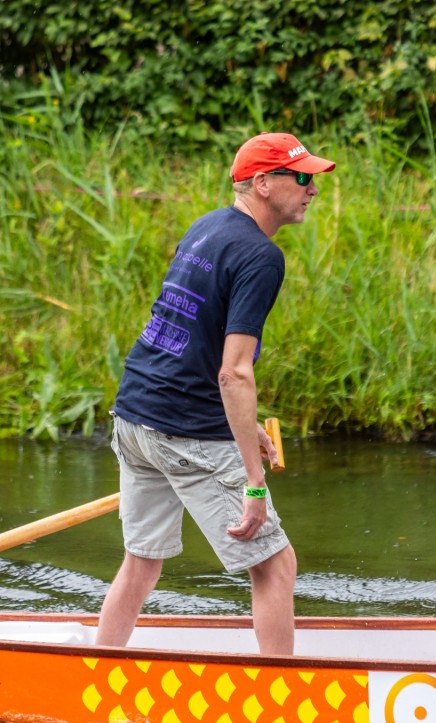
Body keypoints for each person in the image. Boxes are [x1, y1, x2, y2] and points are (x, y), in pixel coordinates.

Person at [96, 132, 336, 654]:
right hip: (185, 431)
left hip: (135, 415)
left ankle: (96, 670)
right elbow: (234, 373)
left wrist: (244, 427)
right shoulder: (261, 256)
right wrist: (253, 483)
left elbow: (188, 341)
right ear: (263, 183)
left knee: (142, 561)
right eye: (302, 177)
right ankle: (281, 710)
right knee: (275, 565)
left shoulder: (206, 227)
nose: (312, 188)